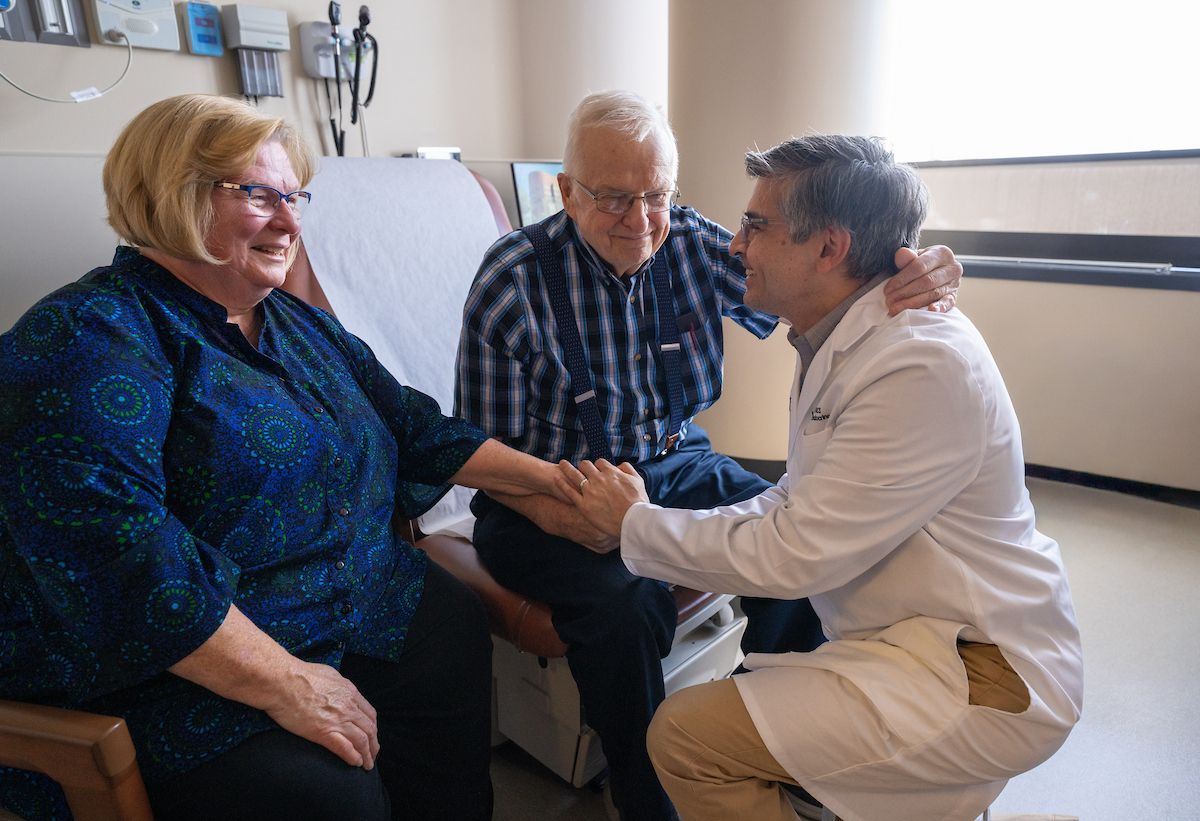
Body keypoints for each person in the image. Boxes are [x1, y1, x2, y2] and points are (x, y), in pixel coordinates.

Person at [0, 94, 575, 821]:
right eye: (260, 195)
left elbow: (411, 423)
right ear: (174, 192)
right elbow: (116, 552)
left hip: (356, 603)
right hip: (184, 666)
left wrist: (559, 484)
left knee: (449, 627)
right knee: (325, 794)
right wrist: (285, 683)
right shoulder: (89, 334)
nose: (291, 221)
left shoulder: (294, 323)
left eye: (295, 196)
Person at [455, 90, 964, 820]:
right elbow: (482, 458)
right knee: (624, 601)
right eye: (613, 199)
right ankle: (644, 789)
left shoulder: (692, 244)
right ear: (565, 192)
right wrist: (586, 524)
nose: (640, 222)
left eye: (656, 195)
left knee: (792, 550)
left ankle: (777, 743)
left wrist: (911, 273)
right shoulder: (510, 281)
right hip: (543, 490)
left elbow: (822, 285)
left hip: (674, 460)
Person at [564, 134, 1084, 821]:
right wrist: (648, 525)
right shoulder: (835, 333)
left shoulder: (914, 362)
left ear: (829, 248)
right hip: (915, 634)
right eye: (609, 196)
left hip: (979, 667)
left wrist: (633, 523)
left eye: (755, 224)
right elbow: (792, 502)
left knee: (687, 738)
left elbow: (794, 550)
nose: (735, 244)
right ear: (570, 191)